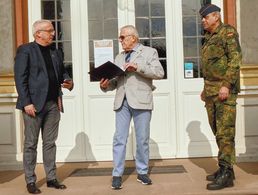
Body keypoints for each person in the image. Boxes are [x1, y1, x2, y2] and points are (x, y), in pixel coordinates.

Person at [100, 25, 164, 189]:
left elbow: (159, 72)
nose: (120, 41)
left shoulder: (149, 52)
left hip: (141, 100)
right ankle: (117, 174)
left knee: (142, 139)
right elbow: (115, 82)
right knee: (119, 138)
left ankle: (142, 172)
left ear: (133, 38)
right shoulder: (119, 57)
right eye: (120, 38)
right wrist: (106, 85)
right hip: (122, 101)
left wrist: (138, 67)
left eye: (122, 37)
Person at [14, 19, 74, 194]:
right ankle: (31, 180)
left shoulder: (55, 52)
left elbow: (62, 72)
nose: (53, 33)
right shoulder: (26, 50)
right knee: (31, 144)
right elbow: (20, 78)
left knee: (50, 143)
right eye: (50, 30)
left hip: (53, 104)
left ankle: (51, 178)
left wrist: (69, 82)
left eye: (53, 31)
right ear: (38, 33)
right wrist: (26, 102)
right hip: (33, 105)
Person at [199, 4, 242, 190]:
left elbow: (235, 60)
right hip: (211, 91)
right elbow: (210, 67)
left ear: (216, 16)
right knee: (217, 130)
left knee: (225, 132)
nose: (203, 20)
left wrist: (226, 84)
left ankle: (226, 172)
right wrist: (205, 88)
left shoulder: (227, 33)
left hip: (224, 91)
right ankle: (226, 168)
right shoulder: (208, 37)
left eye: (205, 17)